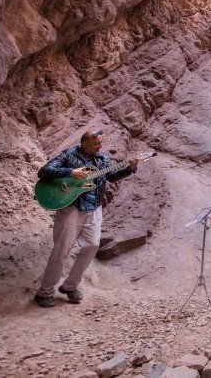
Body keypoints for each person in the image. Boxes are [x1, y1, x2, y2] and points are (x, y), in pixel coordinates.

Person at [35, 130, 138, 307]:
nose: (100, 146)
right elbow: (44, 171)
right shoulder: (69, 154)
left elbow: (111, 177)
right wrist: (70, 172)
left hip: (94, 207)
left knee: (93, 245)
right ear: (84, 143)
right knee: (61, 250)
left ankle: (69, 286)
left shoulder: (103, 159)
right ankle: (44, 292)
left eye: (100, 143)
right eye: (96, 144)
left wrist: (129, 169)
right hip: (71, 207)